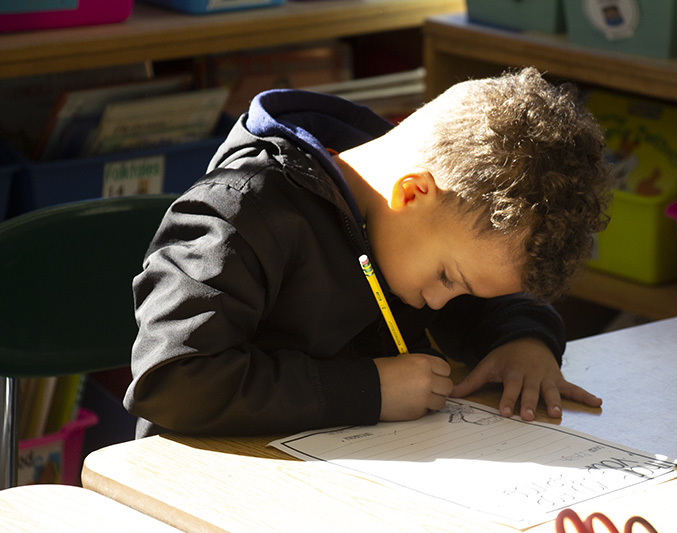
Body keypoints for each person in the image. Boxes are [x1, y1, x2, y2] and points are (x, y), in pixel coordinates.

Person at [123, 67, 611, 438]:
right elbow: (173, 380)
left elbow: (491, 289)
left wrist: (524, 340)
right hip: (209, 482)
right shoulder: (241, 213)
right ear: (413, 193)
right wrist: (366, 391)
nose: (444, 301)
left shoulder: (414, 220)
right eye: (447, 277)